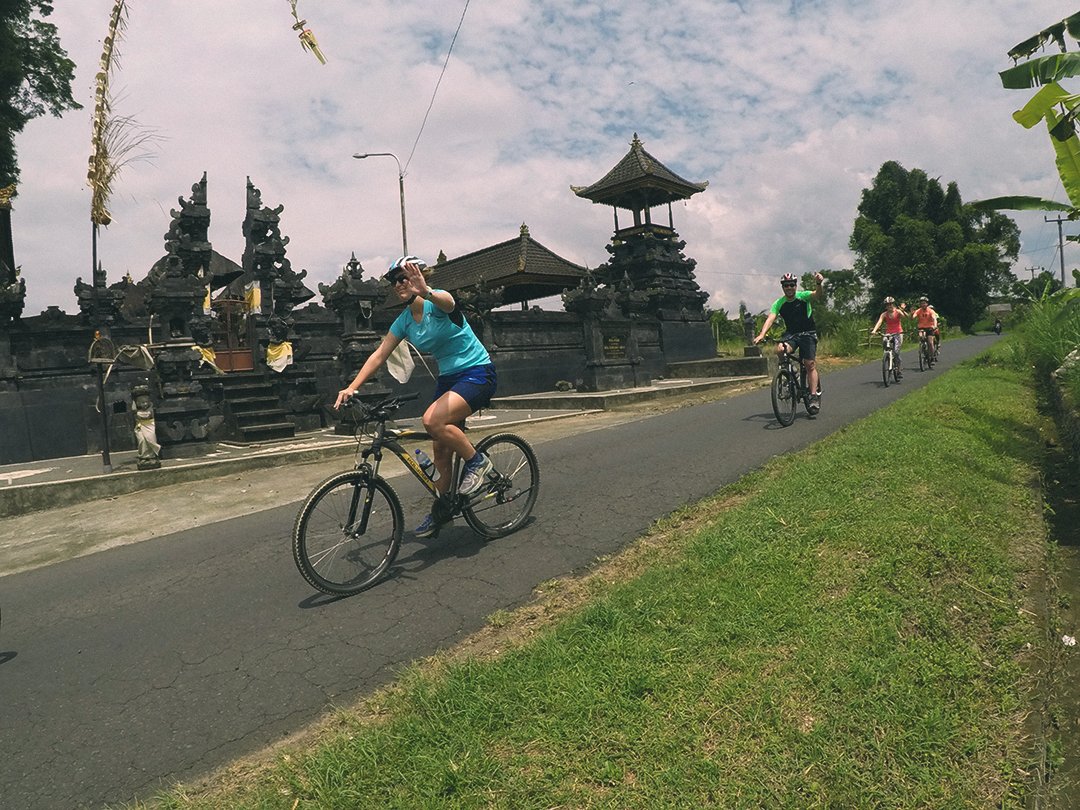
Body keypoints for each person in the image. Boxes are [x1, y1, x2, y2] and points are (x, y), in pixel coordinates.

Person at [334, 256, 498, 538]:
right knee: (440, 452)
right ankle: (443, 510)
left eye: (404, 278)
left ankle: (478, 462)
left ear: (420, 277)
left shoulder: (438, 301)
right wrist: (352, 387)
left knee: (432, 421)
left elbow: (450, 304)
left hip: (477, 373)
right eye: (394, 280)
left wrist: (426, 291)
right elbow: (379, 355)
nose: (398, 284)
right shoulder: (405, 321)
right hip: (448, 379)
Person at [753, 271, 827, 413]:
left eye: (792, 285)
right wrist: (762, 334)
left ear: (795, 285)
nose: (789, 288)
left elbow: (817, 295)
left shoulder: (802, 297)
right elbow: (771, 318)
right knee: (780, 349)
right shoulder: (779, 303)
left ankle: (813, 396)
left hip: (808, 333)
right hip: (792, 334)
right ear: (783, 287)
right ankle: (791, 370)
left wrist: (818, 283)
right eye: (786, 285)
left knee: (809, 364)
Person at [870, 296, 908, 379]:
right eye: (887, 305)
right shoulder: (884, 314)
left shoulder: (898, 312)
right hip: (888, 333)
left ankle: (898, 369)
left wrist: (902, 310)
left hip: (898, 333)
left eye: (890, 304)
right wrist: (874, 330)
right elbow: (879, 322)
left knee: (897, 352)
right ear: (886, 306)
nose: (889, 306)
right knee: (884, 340)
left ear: (893, 304)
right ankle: (887, 355)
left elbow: (906, 317)